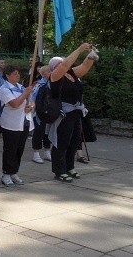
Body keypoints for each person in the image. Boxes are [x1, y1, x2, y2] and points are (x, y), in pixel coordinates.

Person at [49, 43, 97, 182]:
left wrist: (92, 54)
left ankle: (70, 167)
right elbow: (64, 65)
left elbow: (84, 67)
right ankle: (59, 170)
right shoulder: (56, 75)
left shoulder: (71, 74)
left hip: (75, 112)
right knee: (62, 141)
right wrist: (80, 49)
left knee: (74, 140)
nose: (66, 64)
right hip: (64, 113)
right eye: (61, 62)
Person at [0, 65, 34, 186]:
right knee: (10, 149)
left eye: (18, 73)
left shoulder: (21, 87)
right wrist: (25, 93)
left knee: (20, 148)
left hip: (23, 122)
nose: (17, 75)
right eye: (14, 74)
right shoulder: (4, 89)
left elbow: (31, 101)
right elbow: (15, 104)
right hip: (10, 123)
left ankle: (14, 172)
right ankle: (6, 174)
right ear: (8, 76)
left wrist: (31, 106)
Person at [31, 65, 52, 164]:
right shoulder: (40, 85)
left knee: (48, 132)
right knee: (39, 132)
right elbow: (36, 99)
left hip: (49, 112)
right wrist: (41, 111)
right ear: (43, 74)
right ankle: (36, 153)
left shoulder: (52, 84)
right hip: (40, 112)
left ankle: (47, 151)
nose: (50, 73)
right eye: (48, 71)